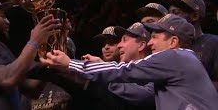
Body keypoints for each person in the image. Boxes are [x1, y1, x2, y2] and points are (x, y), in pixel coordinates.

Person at [41, 14, 218, 110]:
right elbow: (144, 92)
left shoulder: (175, 56)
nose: (150, 42)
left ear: (172, 42)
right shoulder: (182, 62)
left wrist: (70, 63)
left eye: (155, 37)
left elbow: (124, 70)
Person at [162, 0, 218, 90]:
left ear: (195, 16)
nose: (170, 18)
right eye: (169, 14)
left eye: (175, 12)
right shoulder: (168, 46)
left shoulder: (213, 43)